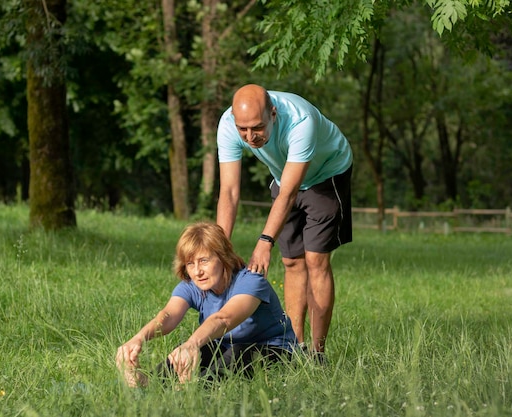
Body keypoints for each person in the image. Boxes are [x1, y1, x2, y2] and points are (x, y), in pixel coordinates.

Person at [216, 84, 353, 361]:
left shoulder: (301, 121)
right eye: (243, 130)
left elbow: (290, 193)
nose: (250, 137)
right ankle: (294, 347)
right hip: (284, 176)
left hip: (327, 174)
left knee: (315, 260)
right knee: (291, 262)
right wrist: (220, 249)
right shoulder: (228, 124)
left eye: (257, 128)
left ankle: (317, 353)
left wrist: (265, 241)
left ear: (273, 114)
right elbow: (229, 192)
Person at [115, 222, 297, 387]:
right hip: (224, 347)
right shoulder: (193, 286)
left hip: (276, 350)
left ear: (223, 257)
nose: (197, 271)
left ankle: (192, 389)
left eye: (204, 260)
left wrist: (191, 344)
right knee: (197, 351)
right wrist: (139, 338)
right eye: (190, 263)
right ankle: (148, 384)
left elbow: (224, 319)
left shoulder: (251, 281)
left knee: (233, 353)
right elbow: (168, 315)